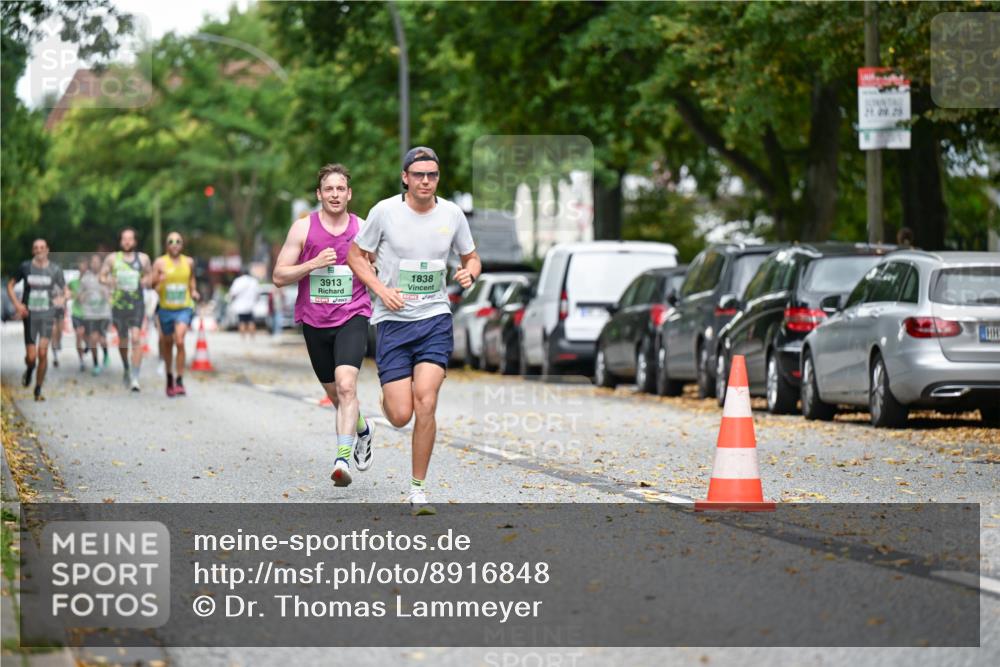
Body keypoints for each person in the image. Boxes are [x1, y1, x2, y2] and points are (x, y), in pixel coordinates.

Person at [348, 147, 480, 515]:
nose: (426, 181)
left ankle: (418, 489)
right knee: (401, 414)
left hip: (435, 318)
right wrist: (381, 290)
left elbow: (471, 256)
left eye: (432, 175)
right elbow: (355, 255)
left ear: (438, 178)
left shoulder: (452, 214)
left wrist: (471, 272)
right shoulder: (385, 212)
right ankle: (387, 403)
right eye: (419, 174)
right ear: (405, 176)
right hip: (393, 322)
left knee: (427, 400)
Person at [273, 164, 375, 487]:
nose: (334, 194)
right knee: (336, 395)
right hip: (315, 322)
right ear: (319, 194)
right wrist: (313, 264)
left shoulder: (362, 228)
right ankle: (363, 429)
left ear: (349, 193)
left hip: (353, 315)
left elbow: (379, 267)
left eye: (340, 189)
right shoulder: (303, 229)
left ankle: (342, 460)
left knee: (347, 386)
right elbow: (278, 276)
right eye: (328, 189)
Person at [6, 238, 68, 401]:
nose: (39, 250)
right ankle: (29, 369)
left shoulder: (55, 270)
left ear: (47, 250)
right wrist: (18, 305)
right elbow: (10, 286)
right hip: (30, 316)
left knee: (43, 352)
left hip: (47, 315)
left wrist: (61, 300)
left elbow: (66, 291)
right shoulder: (25, 267)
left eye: (42, 247)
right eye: (36, 248)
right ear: (33, 251)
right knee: (31, 357)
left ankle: (38, 388)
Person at [101, 227, 152, 392]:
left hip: (136, 304)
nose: (127, 241)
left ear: (135, 241)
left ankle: (135, 377)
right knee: (123, 341)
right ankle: (126, 367)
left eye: (130, 239)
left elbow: (150, 276)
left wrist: (145, 280)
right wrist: (109, 281)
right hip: (119, 305)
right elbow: (101, 276)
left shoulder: (143, 259)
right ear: (120, 241)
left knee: (136, 338)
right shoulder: (112, 259)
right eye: (124, 239)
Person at [152, 231, 200, 397]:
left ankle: (180, 380)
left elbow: (191, 279)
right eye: (171, 241)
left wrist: (193, 291)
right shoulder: (160, 262)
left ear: (182, 244)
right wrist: (159, 279)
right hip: (165, 309)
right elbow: (152, 284)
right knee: (167, 344)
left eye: (178, 241)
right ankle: (169, 378)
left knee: (179, 340)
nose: (174, 244)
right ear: (167, 245)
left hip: (183, 307)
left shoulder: (189, 262)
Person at [79, 253, 112, 375]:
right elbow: (80, 296)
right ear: (90, 264)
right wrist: (84, 296)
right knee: (93, 339)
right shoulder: (85, 278)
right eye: (93, 262)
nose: (95, 264)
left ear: (101, 263)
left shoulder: (106, 277)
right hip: (90, 314)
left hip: (104, 313)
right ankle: (96, 364)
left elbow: (112, 294)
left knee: (102, 339)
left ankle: (106, 354)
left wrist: (107, 295)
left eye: (97, 262)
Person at [68, 256, 90, 372]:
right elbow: (66, 291)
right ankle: (81, 360)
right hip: (76, 312)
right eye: (81, 265)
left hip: (88, 314)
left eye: (85, 265)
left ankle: (87, 346)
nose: (83, 268)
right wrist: (69, 295)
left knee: (87, 337)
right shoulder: (73, 282)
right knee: (78, 334)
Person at [227, 269, 260, 341]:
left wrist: (231, 300)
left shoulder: (238, 281)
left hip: (240, 305)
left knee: (242, 321)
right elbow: (258, 293)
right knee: (251, 321)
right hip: (250, 305)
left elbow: (232, 293)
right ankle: (252, 338)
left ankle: (243, 338)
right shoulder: (253, 281)